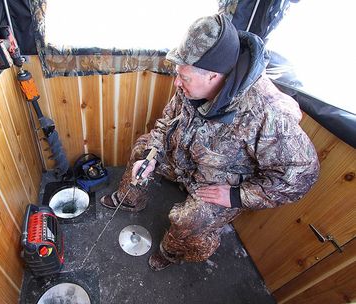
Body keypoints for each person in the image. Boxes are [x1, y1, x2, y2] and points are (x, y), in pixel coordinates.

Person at [99, 14, 320, 271]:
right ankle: (130, 198)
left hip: (218, 183)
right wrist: (151, 155)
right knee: (142, 149)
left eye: (184, 77)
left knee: (187, 220)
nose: (176, 83)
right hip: (183, 159)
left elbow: (301, 175)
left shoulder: (269, 113)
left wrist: (238, 195)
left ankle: (171, 252)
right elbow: (167, 121)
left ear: (214, 77)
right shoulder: (193, 85)